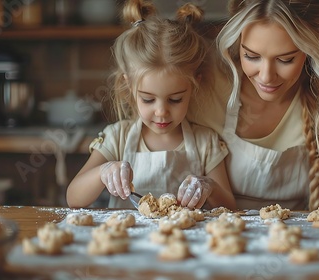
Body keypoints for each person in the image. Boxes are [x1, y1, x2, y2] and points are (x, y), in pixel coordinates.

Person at [187, 0, 319, 211]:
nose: (266, 77)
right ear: (238, 38)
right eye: (251, 56)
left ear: (314, 41)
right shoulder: (202, 89)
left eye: (285, 60)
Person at [66, 0, 236, 210]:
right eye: (148, 99)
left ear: (195, 85)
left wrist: (209, 186)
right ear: (129, 85)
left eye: (175, 99)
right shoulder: (118, 138)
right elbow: (73, 198)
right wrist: (103, 172)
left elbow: (229, 205)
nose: (161, 112)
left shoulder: (205, 143)